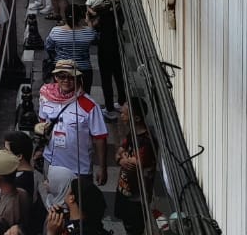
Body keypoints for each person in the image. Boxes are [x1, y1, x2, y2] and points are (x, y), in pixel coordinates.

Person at [37, 61, 107, 186]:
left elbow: (100, 138)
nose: (66, 80)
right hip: (52, 163)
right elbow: (42, 123)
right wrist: (39, 148)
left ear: (78, 79)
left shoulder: (89, 105)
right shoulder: (45, 96)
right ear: (56, 78)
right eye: (62, 76)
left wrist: (102, 168)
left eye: (71, 77)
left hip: (78, 169)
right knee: (53, 201)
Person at [113, 98, 157, 235]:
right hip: (124, 189)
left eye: (125, 114)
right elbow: (119, 153)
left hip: (137, 196)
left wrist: (124, 157)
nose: (121, 116)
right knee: (127, 224)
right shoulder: (132, 134)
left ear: (136, 118)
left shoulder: (147, 141)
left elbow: (135, 163)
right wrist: (122, 159)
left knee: (135, 228)